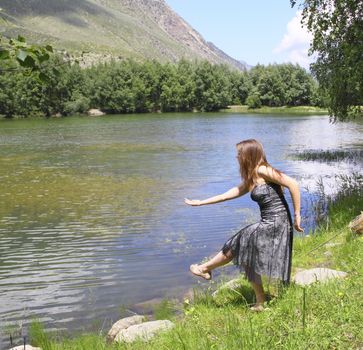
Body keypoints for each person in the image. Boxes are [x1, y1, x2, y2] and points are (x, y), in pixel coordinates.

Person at [184, 139, 303, 311]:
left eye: (239, 153)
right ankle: (259, 302)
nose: (237, 157)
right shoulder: (253, 176)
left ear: (249, 155)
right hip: (269, 221)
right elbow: (231, 193)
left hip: (278, 222)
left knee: (243, 240)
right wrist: (201, 202)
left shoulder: (262, 169)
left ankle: (205, 268)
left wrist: (297, 214)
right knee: (245, 248)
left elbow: (293, 184)